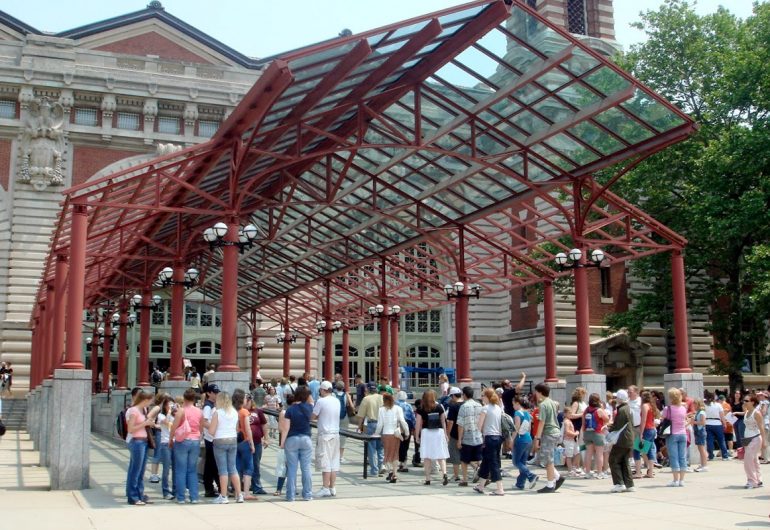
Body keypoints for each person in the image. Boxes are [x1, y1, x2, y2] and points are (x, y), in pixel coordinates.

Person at [208, 391, 242, 504]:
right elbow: (237, 428)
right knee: (233, 468)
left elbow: (212, 431)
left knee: (222, 470)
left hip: (220, 440)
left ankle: (223, 496)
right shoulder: (234, 412)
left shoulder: (217, 412)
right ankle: (239, 494)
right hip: (232, 439)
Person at [169, 388, 203, 504]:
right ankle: (194, 497)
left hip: (182, 441)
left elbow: (174, 426)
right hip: (195, 440)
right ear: (194, 399)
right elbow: (201, 427)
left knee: (180, 469)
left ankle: (181, 497)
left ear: (184, 398)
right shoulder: (199, 411)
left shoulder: (181, 411)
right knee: (192, 470)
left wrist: (170, 439)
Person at [282, 386, 314, 502]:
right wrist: (309, 397)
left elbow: (286, 428)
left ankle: (290, 495)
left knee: (292, 469)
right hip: (306, 438)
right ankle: (307, 494)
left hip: (292, 439)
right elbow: (312, 404)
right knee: (306, 468)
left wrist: (282, 442)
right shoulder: (310, 407)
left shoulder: (290, 409)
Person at [125, 390, 156, 505]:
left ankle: (139, 494)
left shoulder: (142, 410)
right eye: (150, 401)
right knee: (136, 470)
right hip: (136, 441)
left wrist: (148, 423)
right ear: (145, 400)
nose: (150, 403)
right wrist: (145, 423)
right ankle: (133, 496)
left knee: (141, 470)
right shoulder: (134, 411)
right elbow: (130, 429)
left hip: (143, 441)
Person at [472, 388, 505, 495]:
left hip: (489, 437)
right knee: (486, 461)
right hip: (498, 437)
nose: (481, 397)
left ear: (487, 397)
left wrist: (481, 432)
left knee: (493, 462)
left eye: (483, 395)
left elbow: (479, 425)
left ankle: (500, 488)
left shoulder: (485, 408)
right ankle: (481, 485)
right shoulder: (498, 408)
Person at [533, 382, 565, 493]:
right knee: (547, 458)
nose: (535, 394)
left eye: (536, 391)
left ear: (540, 392)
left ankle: (550, 484)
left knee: (548, 460)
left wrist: (537, 438)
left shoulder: (542, 404)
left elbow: (542, 422)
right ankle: (557, 477)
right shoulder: (551, 402)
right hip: (555, 431)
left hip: (549, 433)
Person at [312, 381, 341, 497]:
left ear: (323, 390)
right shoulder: (336, 401)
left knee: (325, 462)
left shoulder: (321, 401)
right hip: (335, 433)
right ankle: (332, 487)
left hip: (325, 434)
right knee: (334, 462)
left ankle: (325, 487)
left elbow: (313, 416)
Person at [415, 389, 449, 486]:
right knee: (440, 455)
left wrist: (417, 435)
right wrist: (445, 434)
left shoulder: (421, 408)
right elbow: (443, 421)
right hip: (439, 432)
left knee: (427, 456)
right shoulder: (439, 407)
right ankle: (445, 473)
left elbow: (418, 424)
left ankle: (428, 478)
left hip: (426, 433)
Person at [375, 392, 407, 483]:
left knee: (387, 454)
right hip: (395, 434)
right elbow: (402, 421)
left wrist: (376, 433)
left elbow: (380, 424)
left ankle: (390, 472)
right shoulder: (398, 409)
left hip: (386, 434)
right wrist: (407, 432)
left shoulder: (381, 410)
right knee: (395, 454)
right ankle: (394, 473)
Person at [607, 389, 634, 492]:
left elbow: (618, 425)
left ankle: (619, 483)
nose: (616, 399)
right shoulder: (628, 408)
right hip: (629, 438)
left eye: (617, 397)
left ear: (620, 398)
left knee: (613, 459)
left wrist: (608, 428)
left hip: (622, 439)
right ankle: (629, 484)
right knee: (624, 461)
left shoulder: (622, 410)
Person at [456, 386, 482, 487]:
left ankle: (465, 479)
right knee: (479, 458)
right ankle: (482, 476)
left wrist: (459, 439)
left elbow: (460, 424)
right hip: (478, 435)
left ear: (464, 395)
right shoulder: (479, 405)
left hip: (467, 436)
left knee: (464, 460)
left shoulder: (464, 406)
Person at [661, 388, 688, 487]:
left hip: (672, 433)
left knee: (673, 457)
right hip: (683, 433)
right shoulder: (683, 408)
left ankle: (675, 480)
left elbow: (663, 419)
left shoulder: (668, 409)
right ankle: (682, 480)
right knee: (682, 457)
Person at [233, 390, 256, 500]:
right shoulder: (244, 412)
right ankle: (246, 492)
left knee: (236, 467)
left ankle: (237, 492)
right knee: (248, 467)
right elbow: (248, 429)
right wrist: (252, 443)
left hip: (234, 441)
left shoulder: (232, 411)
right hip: (244, 441)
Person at [512, 397, 538, 490]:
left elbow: (516, 428)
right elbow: (529, 428)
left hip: (520, 439)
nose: (513, 406)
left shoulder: (517, 413)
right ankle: (520, 483)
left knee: (516, 461)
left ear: (518, 403)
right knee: (522, 462)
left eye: (513, 404)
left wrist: (512, 439)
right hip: (528, 438)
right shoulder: (527, 414)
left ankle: (531, 476)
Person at [358, 383, 384, 477]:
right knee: (380, 447)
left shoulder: (366, 399)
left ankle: (374, 470)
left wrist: (359, 426)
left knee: (371, 448)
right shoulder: (382, 397)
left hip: (371, 423)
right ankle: (381, 466)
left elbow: (361, 415)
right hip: (382, 423)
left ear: (368, 390)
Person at [582, 392, 609, 479]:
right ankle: (600, 473)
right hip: (598, 432)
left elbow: (583, 423)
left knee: (588, 453)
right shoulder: (599, 410)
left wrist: (583, 433)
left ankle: (587, 472)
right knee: (599, 453)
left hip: (587, 433)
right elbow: (607, 419)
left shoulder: (586, 410)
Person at [742, 393, 766, 488]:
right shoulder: (746, 411)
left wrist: (764, 441)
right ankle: (758, 480)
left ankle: (752, 481)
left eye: (747, 401)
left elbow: (761, 427)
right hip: (746, 438)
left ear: (752, 402)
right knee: (754, 460)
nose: (744, 402)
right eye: (744, 400)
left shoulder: (756, 413)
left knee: (748, 460)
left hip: (755, 437)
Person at [201, 384, 221, 497]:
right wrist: (215, 428)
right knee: (212, 464)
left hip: (212, 437)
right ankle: (214, 487)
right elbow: (204, 422)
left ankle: (209, 488)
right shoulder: (208, 406)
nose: (216, 394)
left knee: (210, 464)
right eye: (215, 392)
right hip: (210, 438)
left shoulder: (212, 405)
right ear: (209, 393)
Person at [633, 390, 658, 479]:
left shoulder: (644, 406)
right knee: (649, 450)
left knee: (636, 450)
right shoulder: (652, 406)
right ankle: (650, 471)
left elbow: (643, 420)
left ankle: (638, 472)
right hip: (652, 429)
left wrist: (641, 433)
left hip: (646, 429)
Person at [154, 395, 175, 500]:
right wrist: (170, 412)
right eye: (168, 404)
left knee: (176, 468)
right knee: (166, 468)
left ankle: (175, 490)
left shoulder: (175, 415)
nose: (170, 406)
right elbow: (167, 424)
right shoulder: (161, 416)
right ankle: (166, 491)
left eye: (172, 404)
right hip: (165, 443)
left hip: (176, 443)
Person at [247, 395, 269, 495]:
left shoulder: (258, 411)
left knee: (256, 464)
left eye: (249, 400)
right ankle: (244, 485)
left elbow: (264, 424)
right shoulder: (241, 411)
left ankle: (256, 486)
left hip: (256, 441)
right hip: (244, 442)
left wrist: (266, 438)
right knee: (245, 464)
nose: (248, 402)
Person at [273, 393, 293, 496]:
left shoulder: (283, 413)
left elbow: (280, 429)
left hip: (284, 440)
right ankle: (291, 487)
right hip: (293, 440)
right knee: (291, 466)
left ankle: (279, 489)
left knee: (282, 465)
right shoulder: (295, 412)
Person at [704, 390, 730, 461]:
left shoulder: (704, 405)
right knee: (721, 440)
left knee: (709, 440)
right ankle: (725, 455)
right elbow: (722, 416)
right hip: (717, 423)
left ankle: (711, 455)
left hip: (708, 423)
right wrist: (724, 423)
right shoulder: (718, 405)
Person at [445, 386, 464, 482]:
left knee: (455, 454)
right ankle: (476, 467)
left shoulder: (453, 406)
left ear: (453, 396)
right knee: (466, 453)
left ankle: (456, 475)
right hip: (466, 432)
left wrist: (448, 434)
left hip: (455, 433)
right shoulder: (465, 404)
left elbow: (450, 422)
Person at [333, 381, 354, 463]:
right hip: (344, 416)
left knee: (334, 435)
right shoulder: (347, 395)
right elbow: (351, 405)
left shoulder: (333, 395)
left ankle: (334, 455)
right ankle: (341, 457)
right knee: (343, 437)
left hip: (335, 416)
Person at [395, 390, 415, 472]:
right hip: (407, 426)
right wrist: (413, 428)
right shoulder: (409, 405)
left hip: (397, 427)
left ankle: (398, 463)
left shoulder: (395, 405)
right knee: (405, 446)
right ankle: (404, 463)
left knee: (397, 446)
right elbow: (413, 418)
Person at [561, 405, 581, 477]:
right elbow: (567, 432)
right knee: (569, 456)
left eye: (571, 413)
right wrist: (575, 433)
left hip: (572, 440)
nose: (571, 414)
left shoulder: (569, 421)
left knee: (577, 452)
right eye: (569, 413)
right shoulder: (566, 421)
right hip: (568, 440)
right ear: (565, 413)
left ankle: (573, 467)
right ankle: (570, 470)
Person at [692, 398, 709, 472]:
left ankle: (704, 465)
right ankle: (702, 464)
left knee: (702, 449)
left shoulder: (701, 412)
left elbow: (703, 422)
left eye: (695, 404)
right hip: (698, 431)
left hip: (700, 431)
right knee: (700, 449)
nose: (694, 405)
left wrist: (694, 422)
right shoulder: (698, 412)